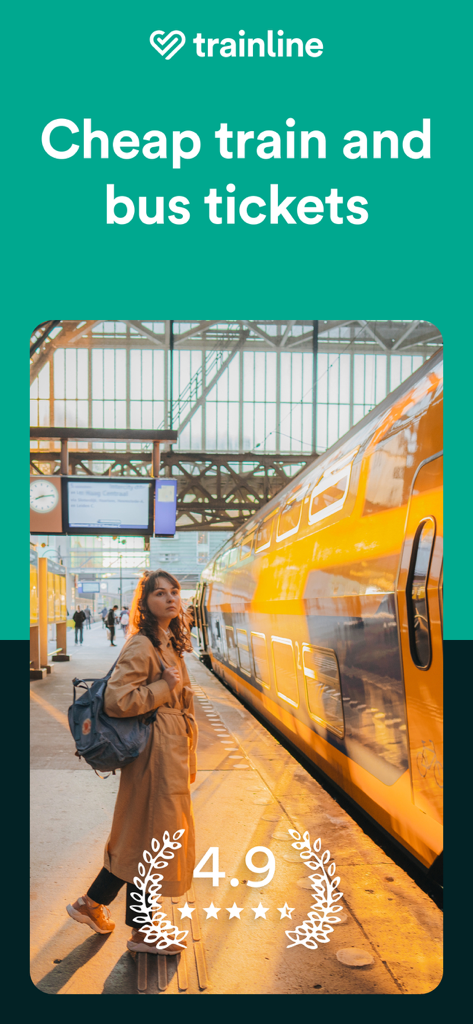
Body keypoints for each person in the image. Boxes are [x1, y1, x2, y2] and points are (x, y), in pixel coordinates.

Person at [66, 570, 197, 956]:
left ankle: (90, 904)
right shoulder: (143, 645)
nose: (170, 598)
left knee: (138, 837)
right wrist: (163, 687)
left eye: (174, 592)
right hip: (155, 754)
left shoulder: (167, 642)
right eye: (160, 593)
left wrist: (188, 755)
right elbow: (117, 700)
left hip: (168, 752)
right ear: (145, 602)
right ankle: (143, 932)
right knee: (152, 841)